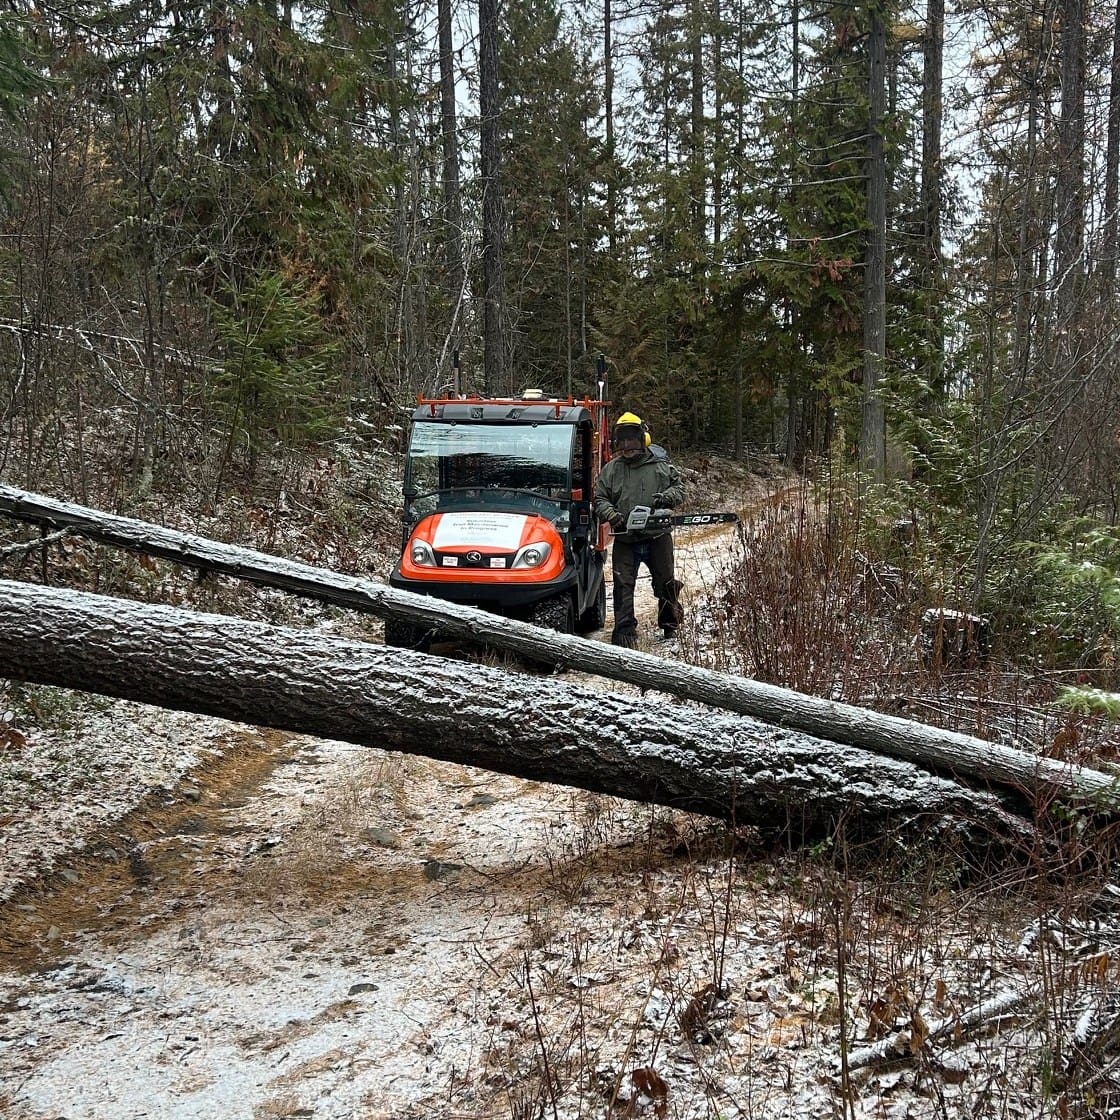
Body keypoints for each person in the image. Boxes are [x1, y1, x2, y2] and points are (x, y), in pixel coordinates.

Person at [594, 412, 685, 648]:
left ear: (642, 438)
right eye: (622, 441)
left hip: (657, 536)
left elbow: (679, 489)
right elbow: (600, 498)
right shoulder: (612, 469)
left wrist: (665, 498)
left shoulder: (659, 466)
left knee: (665, 583)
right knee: (623, 585)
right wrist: (612, 516)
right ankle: (624, 632)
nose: (626, 446)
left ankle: (670, 624)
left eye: (631, 440)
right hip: (626, 537)